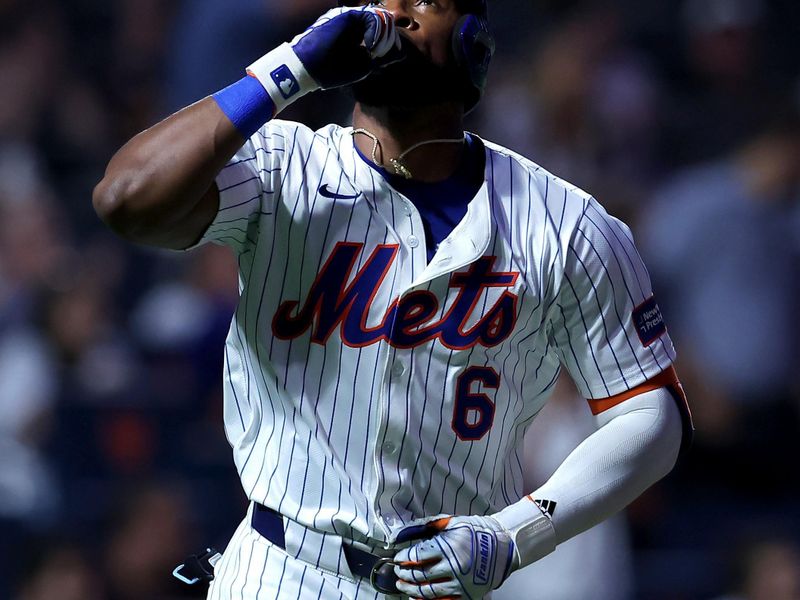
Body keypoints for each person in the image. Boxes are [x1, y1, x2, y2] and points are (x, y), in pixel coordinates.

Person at [93, 1, 692, 598]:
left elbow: (651, 417)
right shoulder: (283, 164)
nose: (392, 14)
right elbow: (126, 198)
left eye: (422, 1)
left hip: (447, 581)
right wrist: (288, 71)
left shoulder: (566, 222)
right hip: (281, 569)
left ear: (472, 42)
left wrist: (516, 534)